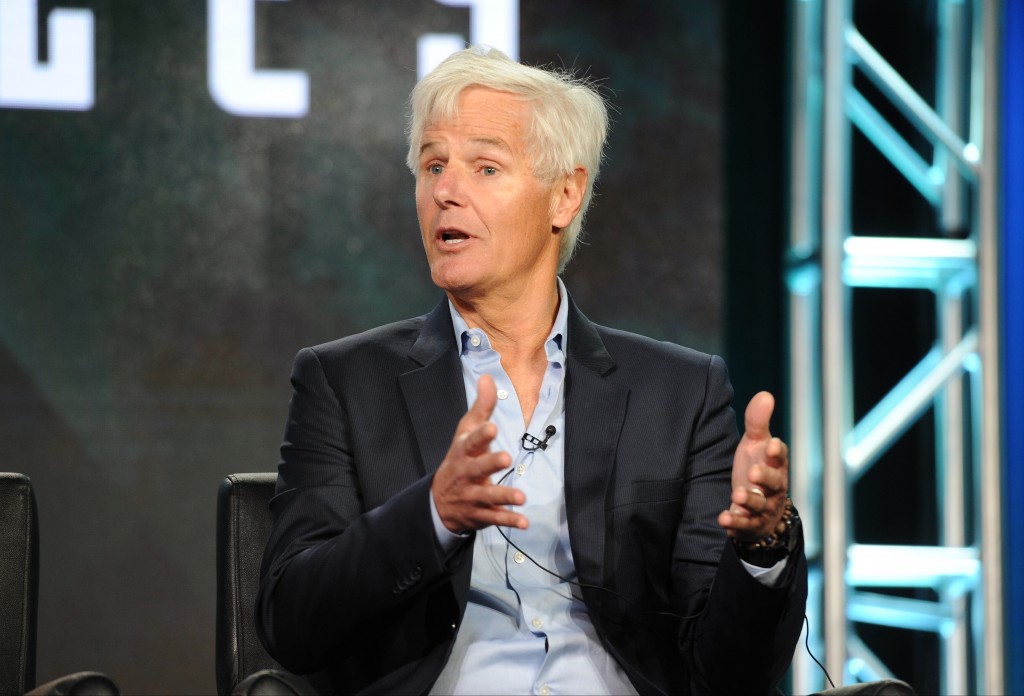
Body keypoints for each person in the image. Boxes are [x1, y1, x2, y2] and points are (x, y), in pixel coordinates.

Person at [256, 45, 807, 695]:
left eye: (485, 167)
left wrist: (762, 548)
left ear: (564, 196)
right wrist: (433, 513)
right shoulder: (346, 382)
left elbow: (729, 673)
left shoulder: (679, 395)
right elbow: (290, 621)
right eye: (433, 165)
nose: (446, 190)